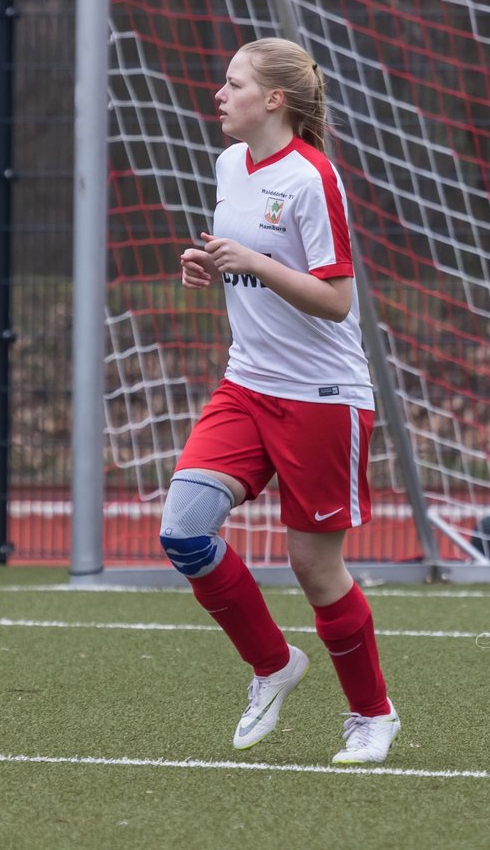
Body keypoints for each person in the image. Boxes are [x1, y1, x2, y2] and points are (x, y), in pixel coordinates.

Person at [163, 38, 399, 764]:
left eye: (232, 83)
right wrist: (207, 263)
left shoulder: (312, 178)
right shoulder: (230, 164)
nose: (219, 94)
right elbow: (243, 258)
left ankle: (372, 714)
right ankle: (272, 665)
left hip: (322, 398)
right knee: (184, 531)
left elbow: (334, 300)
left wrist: (257, 263)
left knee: (314, 568)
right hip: (246, 384)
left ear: (274, 100)